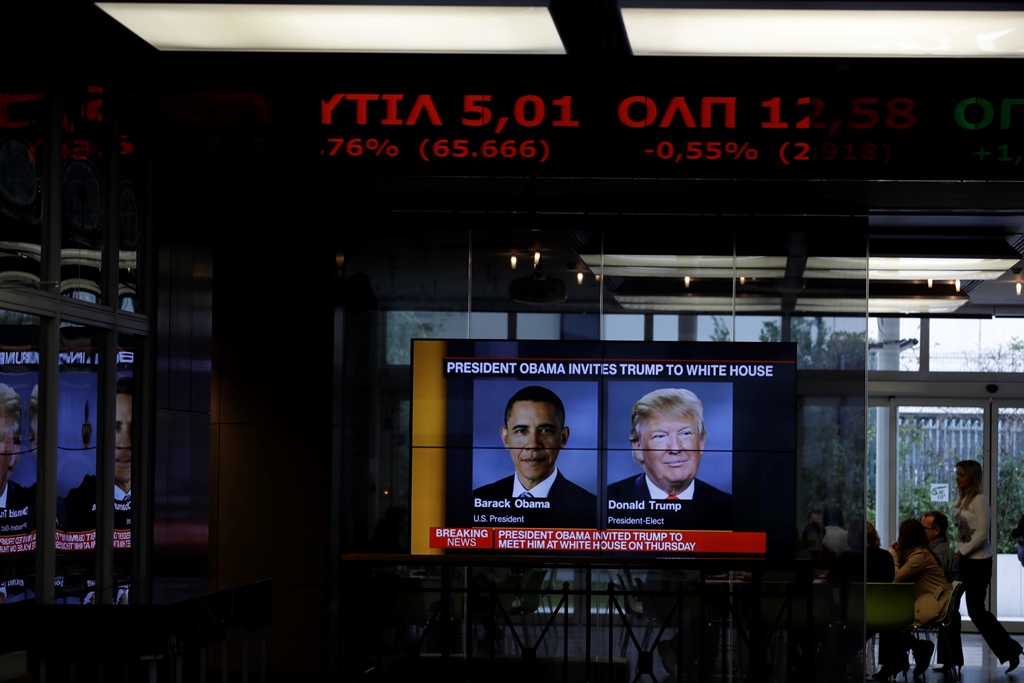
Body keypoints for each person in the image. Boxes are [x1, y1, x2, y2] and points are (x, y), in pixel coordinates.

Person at [472, 385, 596, 528]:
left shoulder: (591, 508)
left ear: (563, 438)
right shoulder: (475, 501)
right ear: (506, 438)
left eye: (545, 430)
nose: (533, 444)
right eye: (521, 431)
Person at [63, 375, 134, 602]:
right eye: (115, 428)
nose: (125, 443)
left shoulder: (161, 505)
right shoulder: (76, 503)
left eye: (134, 427)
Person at [952, 459, 1023, 674]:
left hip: (978, 564)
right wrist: (958, 553)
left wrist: (960, 553)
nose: (957, 478)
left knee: (976, 611)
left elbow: (983, 534)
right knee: (950, 609)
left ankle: (1011, 650)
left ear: (972, 478)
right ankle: (950, 660)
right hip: (964, 562)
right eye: (957, 474)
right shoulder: (964, 500)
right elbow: (964, 535)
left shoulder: (979, 500)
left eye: (961, 474)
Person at [606, 388, 731, 502]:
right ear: (638, 448)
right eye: (660, 436)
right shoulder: (607, 500)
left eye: (685, 433)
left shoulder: (728, 506)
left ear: (701, 442)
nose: (675, 448)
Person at [871, 518, 951, 681]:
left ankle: (896, 663)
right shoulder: (919, 552)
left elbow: (896, 579)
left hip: (932, 604)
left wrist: (892, 556)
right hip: (925, 600)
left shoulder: (920, 556)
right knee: (889, 618)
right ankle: (911, 652)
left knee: (889, 620)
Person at [827, 519, 897, 668]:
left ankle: (833, 660)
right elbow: (889, 581)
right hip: (880, 613)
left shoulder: (844, 558)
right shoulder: (885, 557)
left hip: (850, 613)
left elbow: (832, 583)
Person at [922, 509, 962, 674]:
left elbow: (931, 582)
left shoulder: (939, 554)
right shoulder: (942, 550)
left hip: (938, 604)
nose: (920, 532)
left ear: (936, 531)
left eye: (923, 528)